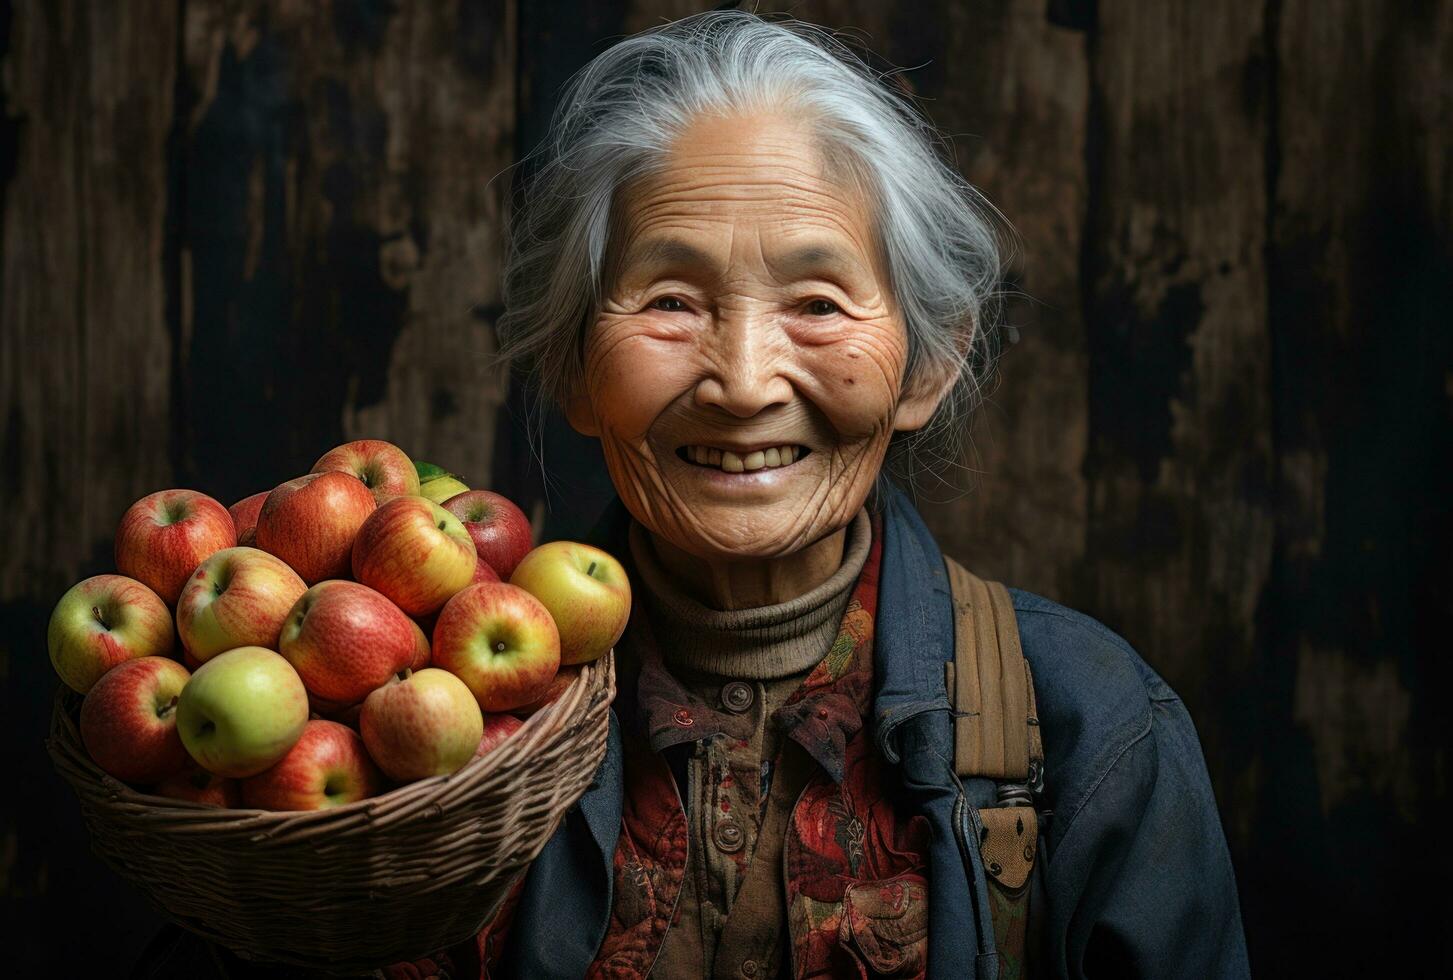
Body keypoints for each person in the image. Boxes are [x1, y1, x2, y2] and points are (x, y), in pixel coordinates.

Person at [136, 9, 1249, 979]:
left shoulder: (1089, 723)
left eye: (817, 301)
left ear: (927, 362)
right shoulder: (422, 736)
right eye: (669, 299)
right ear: (572, 364)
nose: (744, 379)